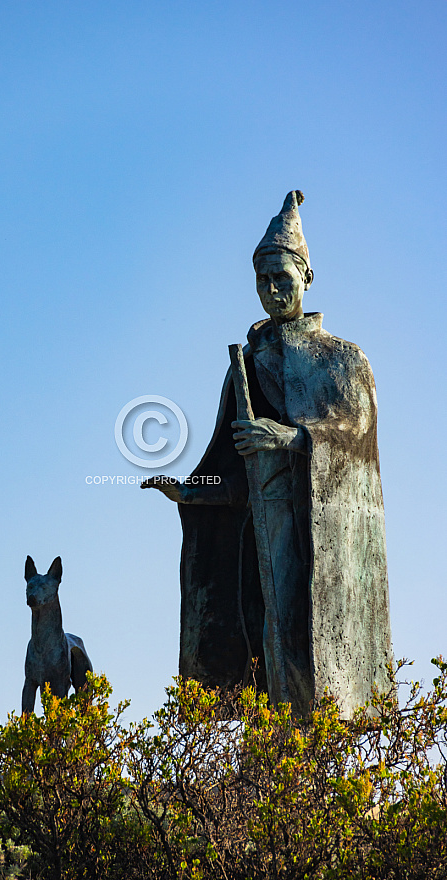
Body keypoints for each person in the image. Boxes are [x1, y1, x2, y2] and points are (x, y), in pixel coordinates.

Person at [142, 191, 392, 717]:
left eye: (282, 277)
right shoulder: (247, 369)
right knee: (262, 639)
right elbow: (237, 478)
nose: (273, 289)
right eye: (263, 280)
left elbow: (356, 439)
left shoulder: (343, 360)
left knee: (306, 640)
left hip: (315, 542)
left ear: (306, 277)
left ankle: (312, 768)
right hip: (261, 542)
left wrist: (292, 437)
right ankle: (274, 768)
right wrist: (191, 492)